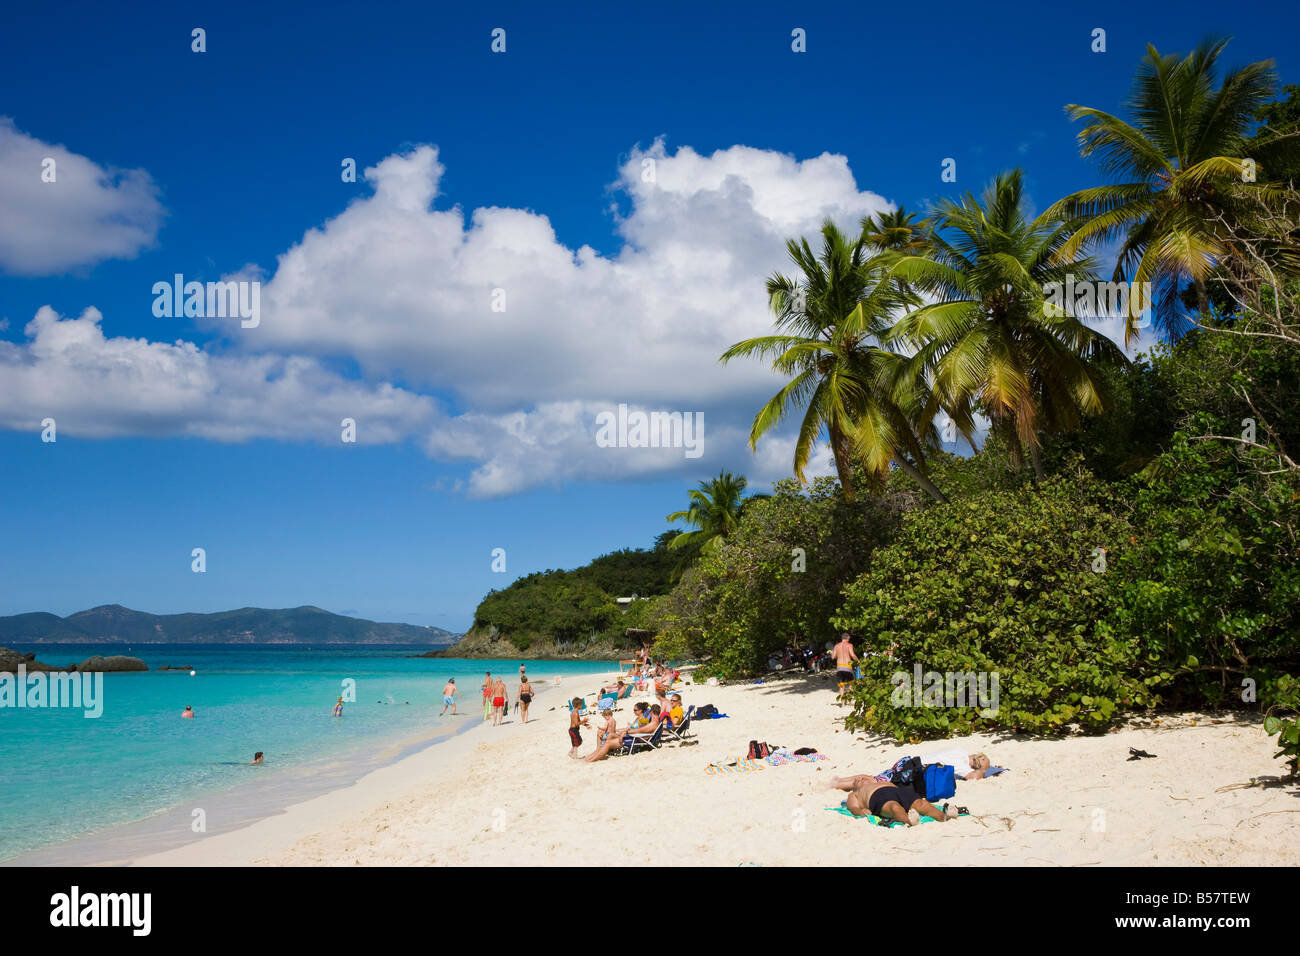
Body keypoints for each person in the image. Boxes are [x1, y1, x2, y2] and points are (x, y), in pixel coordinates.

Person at [832, 776, 959, 825]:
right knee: (894, 807)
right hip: (877, 797)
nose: (860, 779)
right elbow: (853, 807)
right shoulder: (855, 794)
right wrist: (861, 811)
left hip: (898, 792)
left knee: (921, 803)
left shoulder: (885, 782)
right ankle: (908, 820)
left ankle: (943, 816)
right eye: (856, 781)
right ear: (854, 787)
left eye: (863, 777)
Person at [831, 633, 859, 703]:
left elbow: (832, 657)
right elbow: (852, 655)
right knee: (851, 685)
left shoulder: (836, 646)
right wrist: (858, 661)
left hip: (839, 667)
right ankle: (850, 701)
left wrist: (834, 653)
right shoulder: (849, 645)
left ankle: (843, 704)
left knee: (841, 686)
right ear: (848, 638)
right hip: (847, 667)